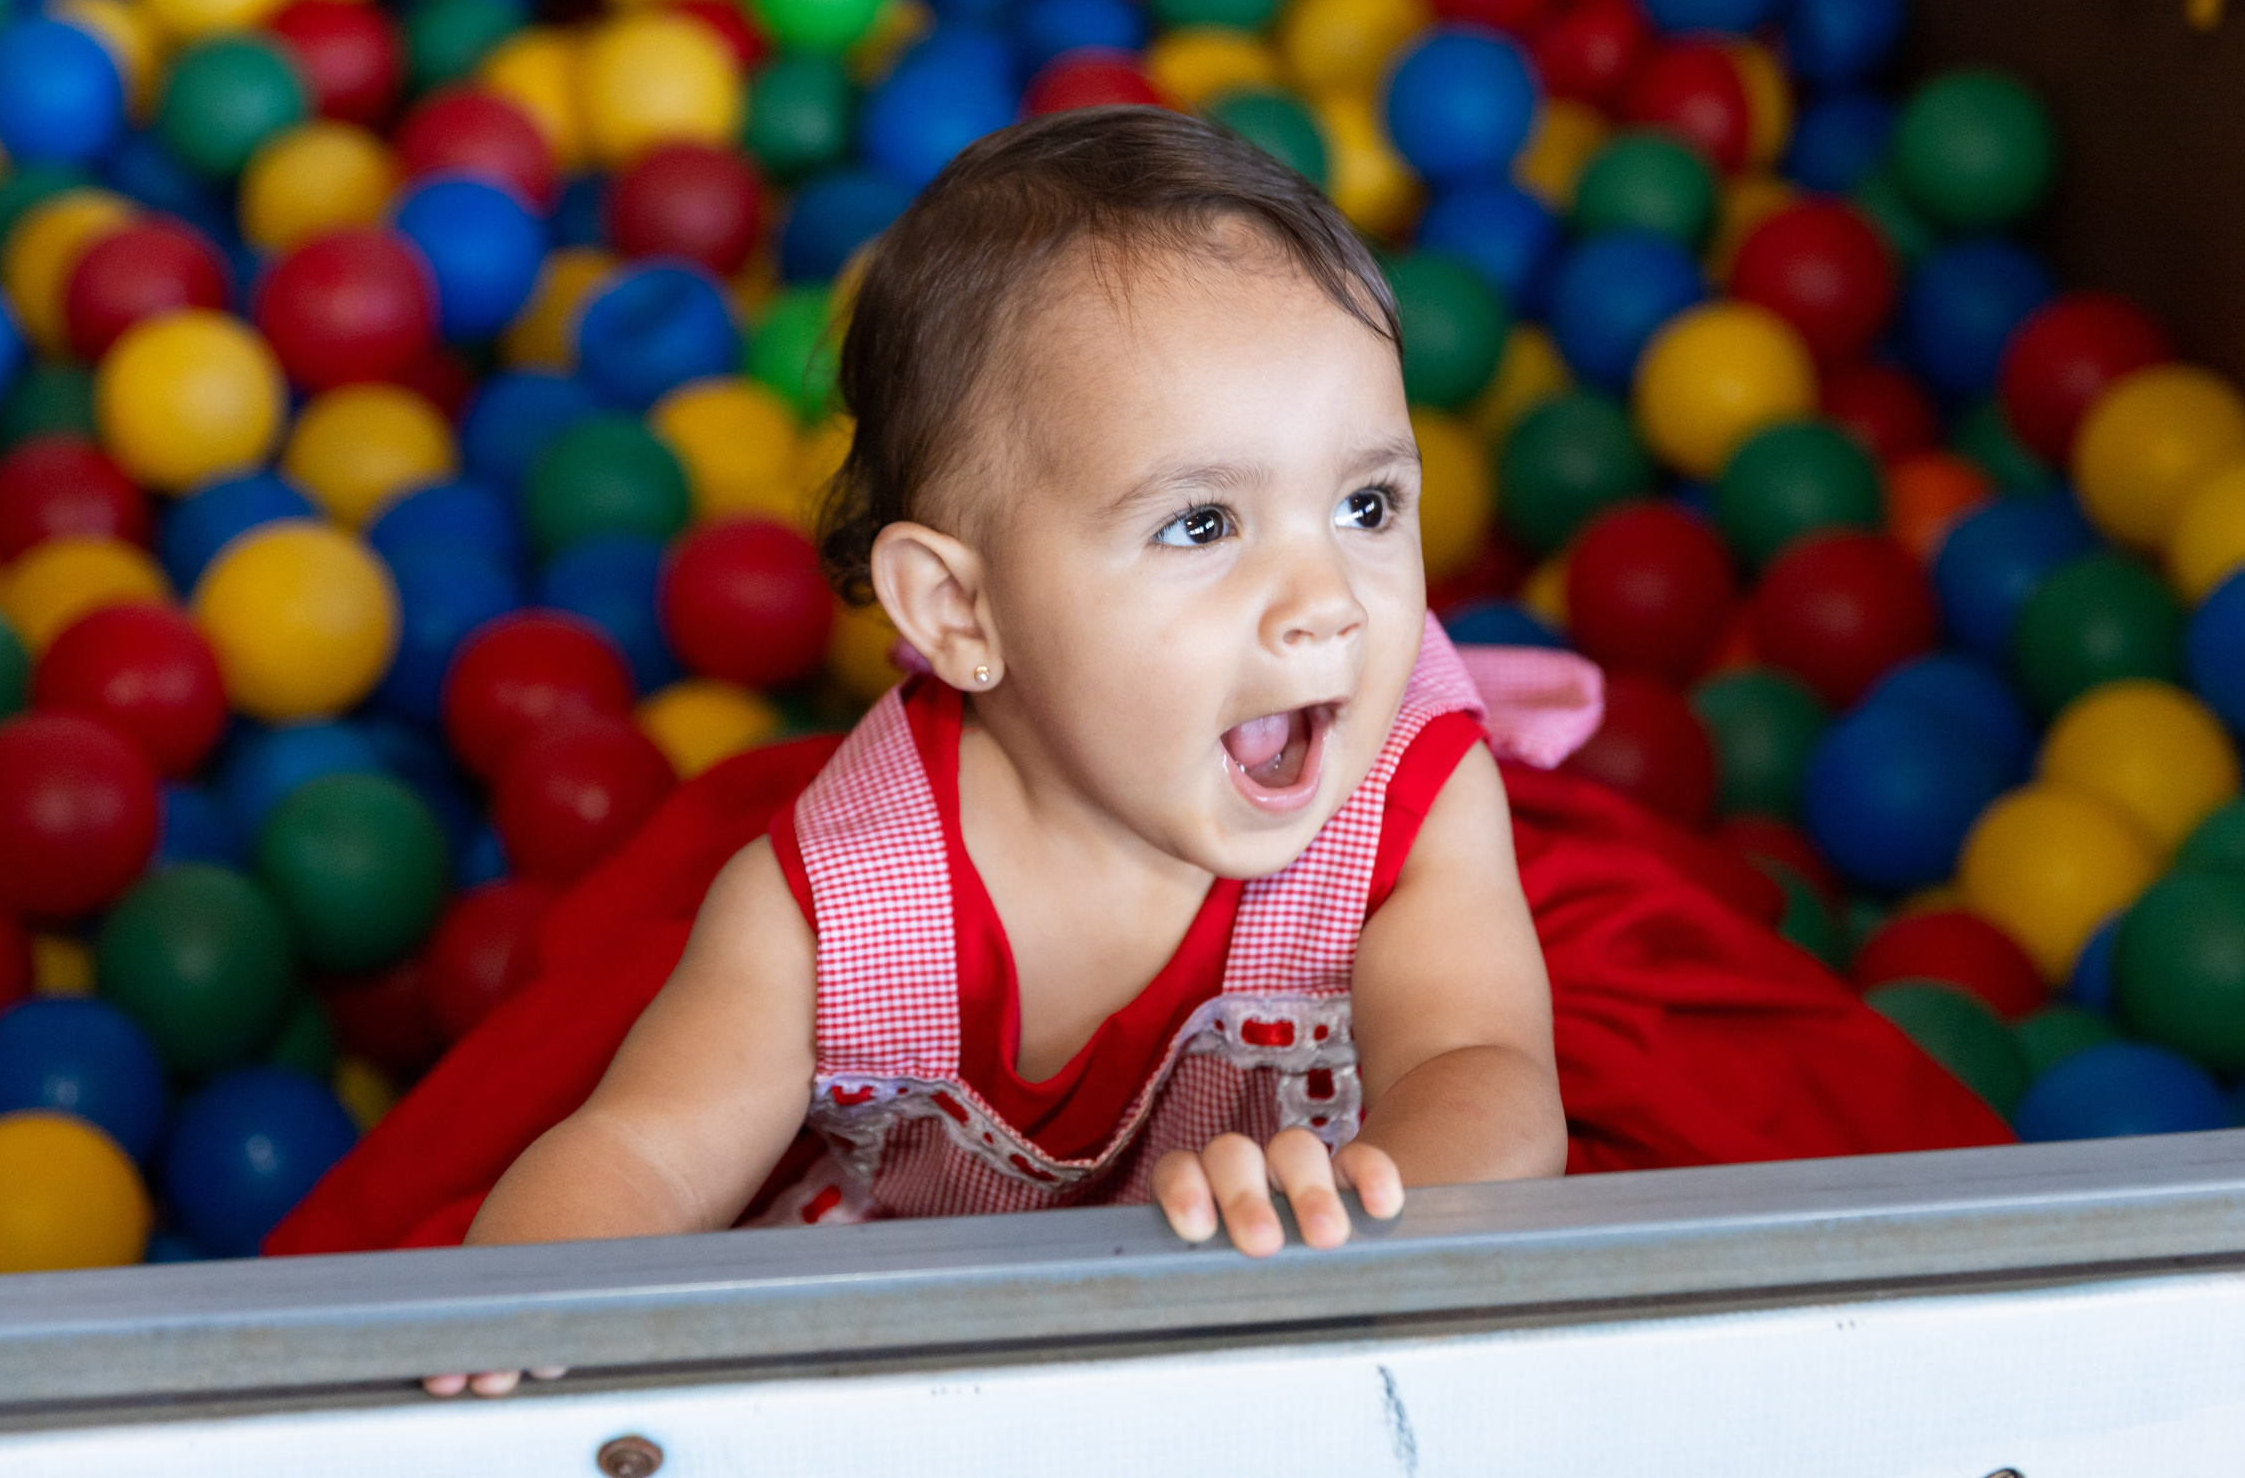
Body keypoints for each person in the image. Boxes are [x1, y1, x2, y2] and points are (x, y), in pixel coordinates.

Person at [266, 110, 2011, 1393]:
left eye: (1368, 502)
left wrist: (1375, 1177)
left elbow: (1490, 1069)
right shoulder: (835, 907)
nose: (1327, 601)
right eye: (1197, 527)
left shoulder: (1403, 795)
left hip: (1299, 1293)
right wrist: (517, 1318)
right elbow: (647, 1152)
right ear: (959, 615)